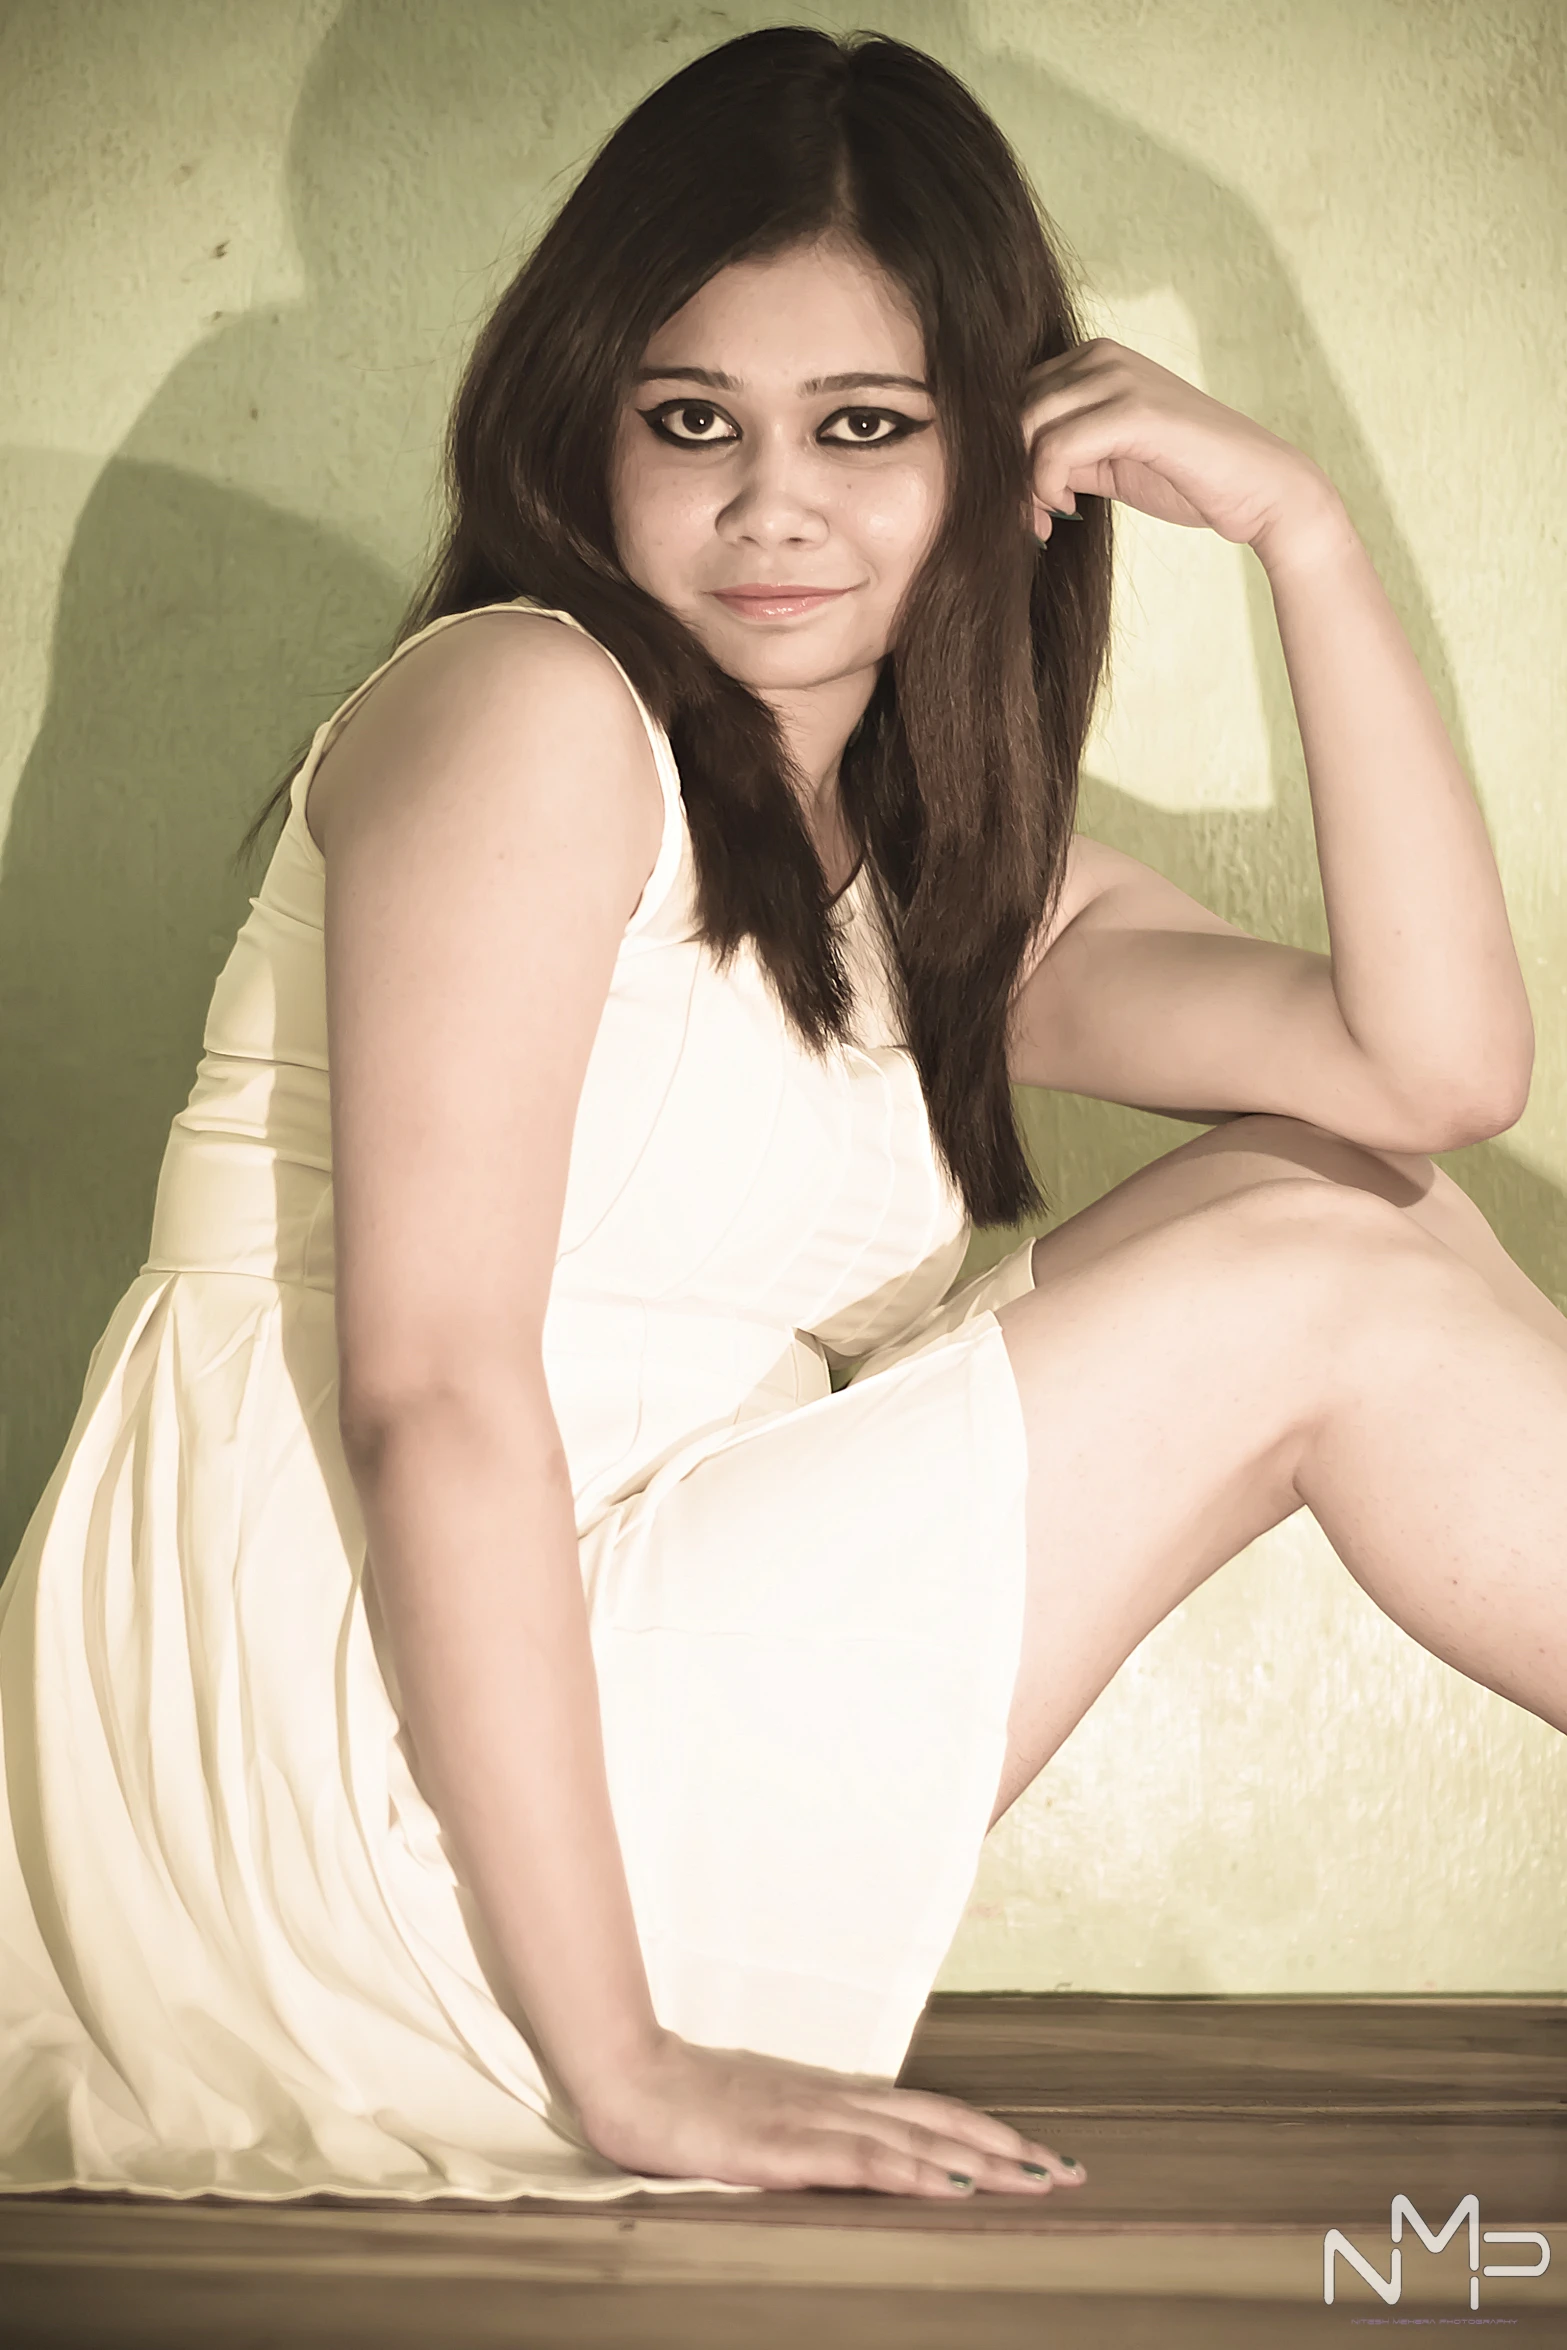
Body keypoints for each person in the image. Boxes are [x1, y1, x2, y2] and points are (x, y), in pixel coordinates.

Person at [1, 24, 1562, 2211]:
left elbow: (1439, 1075)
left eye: (866, 427)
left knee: (1343, 1192)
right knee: (1316, 1264)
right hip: (380, 1796)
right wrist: (627, 2061)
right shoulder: (527, 709)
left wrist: (1302, 529)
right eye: (692, 420)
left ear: (999, 459)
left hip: (597, 1690)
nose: (772, 504)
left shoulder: (940, 887)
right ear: (590, 432)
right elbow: (432, 1390)